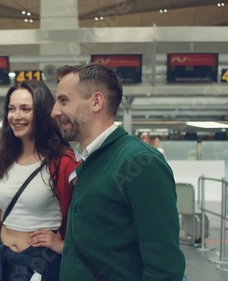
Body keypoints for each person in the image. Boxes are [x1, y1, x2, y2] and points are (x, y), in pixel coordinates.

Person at [51, 63, 185, 281]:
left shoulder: (141, 162)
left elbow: (164, 267)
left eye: (63, 100)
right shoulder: (90, 161)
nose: (54, 111)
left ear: (96, 101)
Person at [0, 80, 79, 281]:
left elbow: (88, 220)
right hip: (2, 261)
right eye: (11, 109)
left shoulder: (63, 162)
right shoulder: (1, 160)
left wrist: (63, 245)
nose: (16, 116)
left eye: (25, 109)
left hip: (40, 265)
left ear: (41, 112)